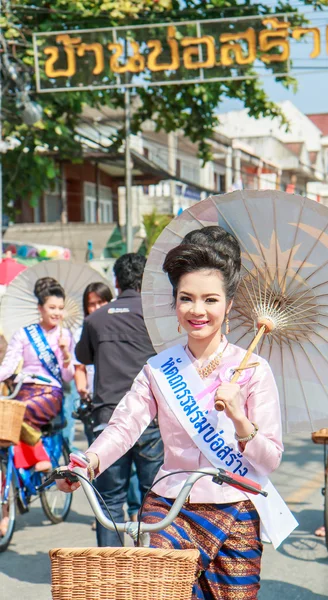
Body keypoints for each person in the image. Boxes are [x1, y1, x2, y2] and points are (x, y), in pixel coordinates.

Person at [60, 227, 294, 599]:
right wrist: (88, 461)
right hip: (170, 508)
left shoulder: (254, 370)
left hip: (236, 511)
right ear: (174, 303)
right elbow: (125, 425)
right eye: (186, 298)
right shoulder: (159, 368)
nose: (197, 311)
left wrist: (239, 418)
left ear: (229, 305)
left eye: (210, 300)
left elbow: (270, 459)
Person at [75, 253, 163, 546]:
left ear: (116, 281)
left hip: (108, 420)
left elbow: (83, 357)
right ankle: (154, 571)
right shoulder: (156, 320)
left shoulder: (96, 319)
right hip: (150, 419)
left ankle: (113, 579)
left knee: (110, 501)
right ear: (144, 281)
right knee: (154, 500)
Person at [0, 278, 74, 535]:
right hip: (23, 389)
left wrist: (65, 355)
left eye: (60, 308)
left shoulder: (66, 336)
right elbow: (9, 367)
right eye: (52, 307)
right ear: (40, 308)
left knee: (17, 413)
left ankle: (41, 459)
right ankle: (6, 509)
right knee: (4, 419)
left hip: (49, 393)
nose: (57, 313)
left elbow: (67, 378)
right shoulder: (24, 334)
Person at [73, 281, 113, 445]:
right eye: (91, 304)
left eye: (101, 302)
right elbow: (79, 367)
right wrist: (82, 389)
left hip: (117, 399)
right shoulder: (80, 332)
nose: (97, 308)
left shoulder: (119, 327)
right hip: (93, 402)